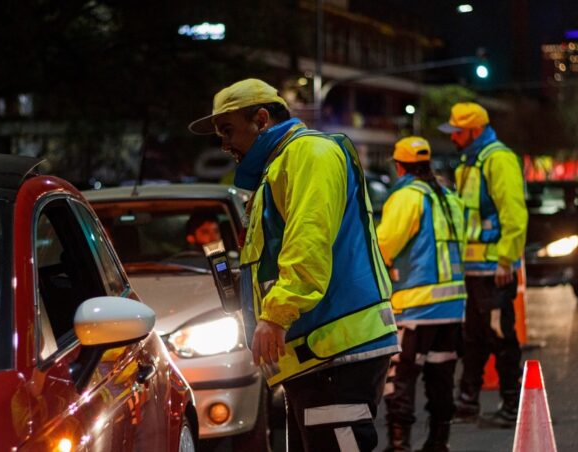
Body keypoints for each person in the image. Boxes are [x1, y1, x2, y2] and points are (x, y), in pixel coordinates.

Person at [189, 78, 399, 451]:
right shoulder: (282, 166)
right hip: (319, 353)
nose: (224, 144)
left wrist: (275, 315)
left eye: (228, 130)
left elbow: (309, 241)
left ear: (262, 119)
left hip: (335, 351)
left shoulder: (308, 155)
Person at [439, 102, 528, 427]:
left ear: (475, 130)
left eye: (458, 132)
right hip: (474, 270)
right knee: (473, 338)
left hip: (494, 270)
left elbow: (514, 213)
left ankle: (512, 404)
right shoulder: (469, 163)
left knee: (500, 337)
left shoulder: (497, 159)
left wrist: (507, 258)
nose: (453, 138)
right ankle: (468, 402)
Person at [377, 137, 467, 452]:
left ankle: (399, 445)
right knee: (440, 378)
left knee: (401, 377)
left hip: (415, 306)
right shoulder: (449, 198)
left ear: (399, 166)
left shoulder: (407, 197)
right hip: (452, 307)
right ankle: (438, 442)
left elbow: (384, 246)